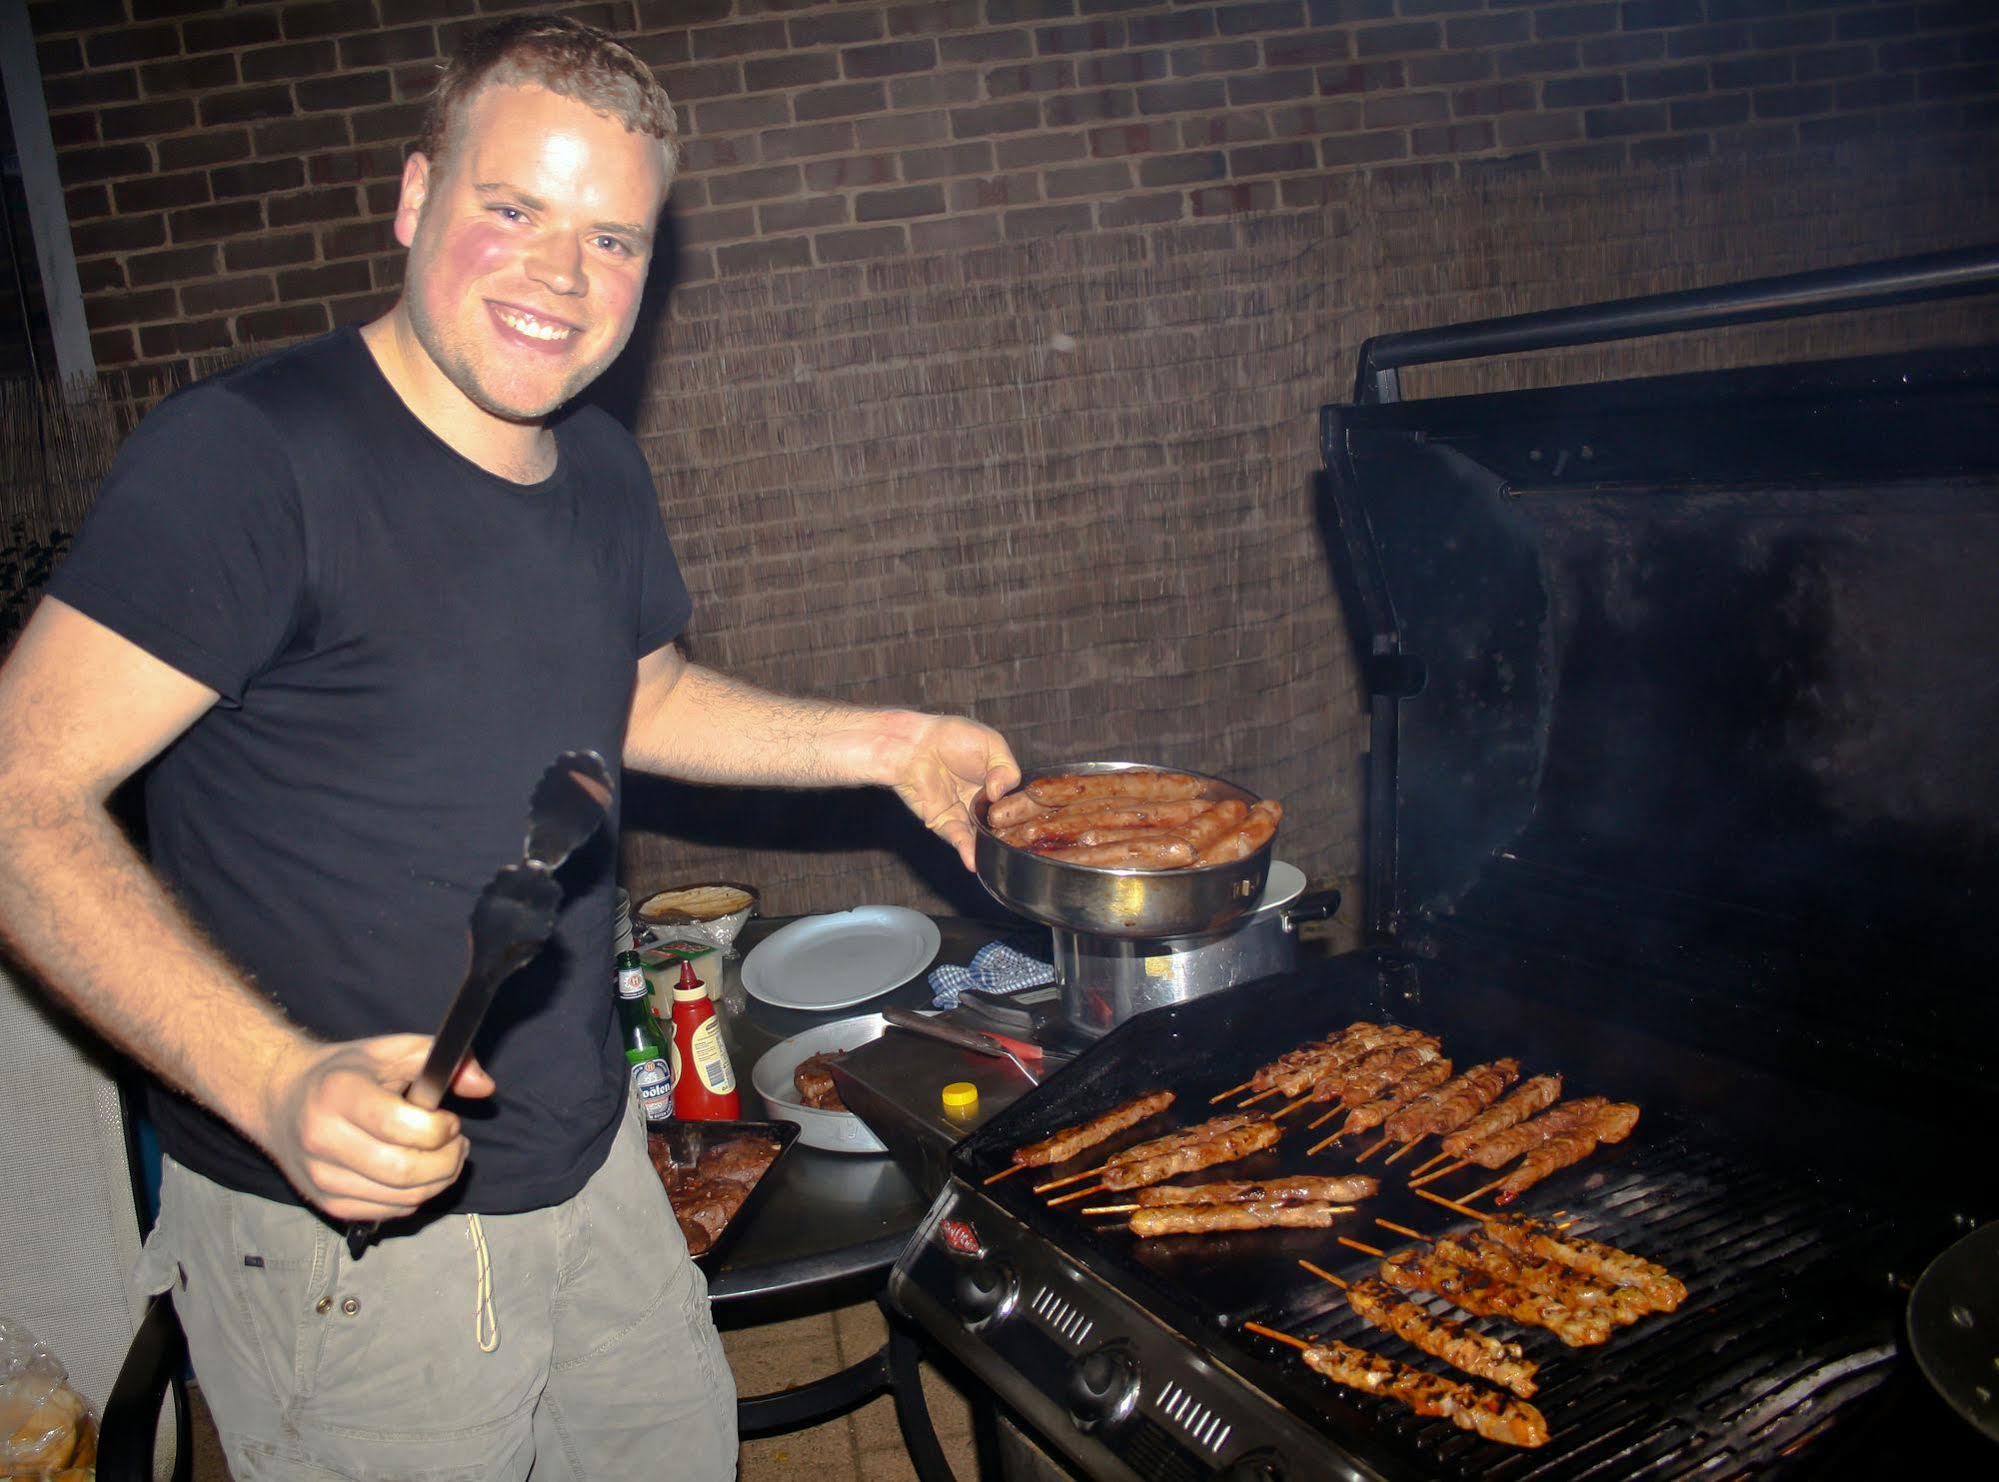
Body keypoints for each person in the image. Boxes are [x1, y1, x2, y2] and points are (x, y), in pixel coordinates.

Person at [0, 15, 1016, 1480]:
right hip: (357, 1238)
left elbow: (638, 696)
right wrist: (275, 1080)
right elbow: (23, 799)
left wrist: (893, 742)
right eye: (514, 209)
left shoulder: (599, 462)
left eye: (614, 240)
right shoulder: (248, 461)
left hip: (587, 1152)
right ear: (415, 201)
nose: (561, 275)